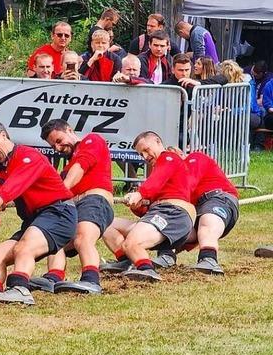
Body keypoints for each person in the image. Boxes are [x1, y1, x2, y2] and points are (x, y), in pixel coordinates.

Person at [0, 120, 77, 305]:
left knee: (23, 248)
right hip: (34, 220)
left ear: (3, 135)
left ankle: (20, 289)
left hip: (58, 213)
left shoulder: (28, 156)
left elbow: (15, 184)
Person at [28, 119, 114, 295]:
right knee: (55, 239)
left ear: (69, 130)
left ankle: (91, 280)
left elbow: (81, 167)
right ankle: (53, 277)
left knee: (83, 237)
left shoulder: (92, 140)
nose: (58, 148)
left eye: (59, 141)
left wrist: (61, 191)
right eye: (54, 146)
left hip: (94, 200)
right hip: (74, 205)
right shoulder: (67, 166)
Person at [100, 132, 195, 282]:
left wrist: (139, 194)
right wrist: (138, 206)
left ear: (158, 141)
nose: (144, 157)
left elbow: (155, 183)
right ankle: (127, 259)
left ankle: (146, 269)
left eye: (146, 150)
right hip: (162, 215)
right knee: (104, 223)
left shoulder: (169, 157)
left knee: (131, 243)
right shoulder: (158, 167)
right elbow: (148, 207)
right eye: (140, 154)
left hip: (173, 214)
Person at [162, 148, 239, 275]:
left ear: (181, 154)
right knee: (170, 225)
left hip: (217, 198)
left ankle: (208, 258)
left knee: (207, 220)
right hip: (195, 210)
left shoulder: (195, 158)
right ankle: (166, 256)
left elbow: (189, 182)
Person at [246, 61, 271, 150]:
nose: (254, 75)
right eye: (253, 72)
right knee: (259, 114)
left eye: (256, 75)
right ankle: (257, 144)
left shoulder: (268, 79)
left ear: (263, 73)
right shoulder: (246, 71)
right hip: (247, 105)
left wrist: (251, 103)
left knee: (261, 112)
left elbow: (262, 100)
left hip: (258, 105)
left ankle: (256, 144)